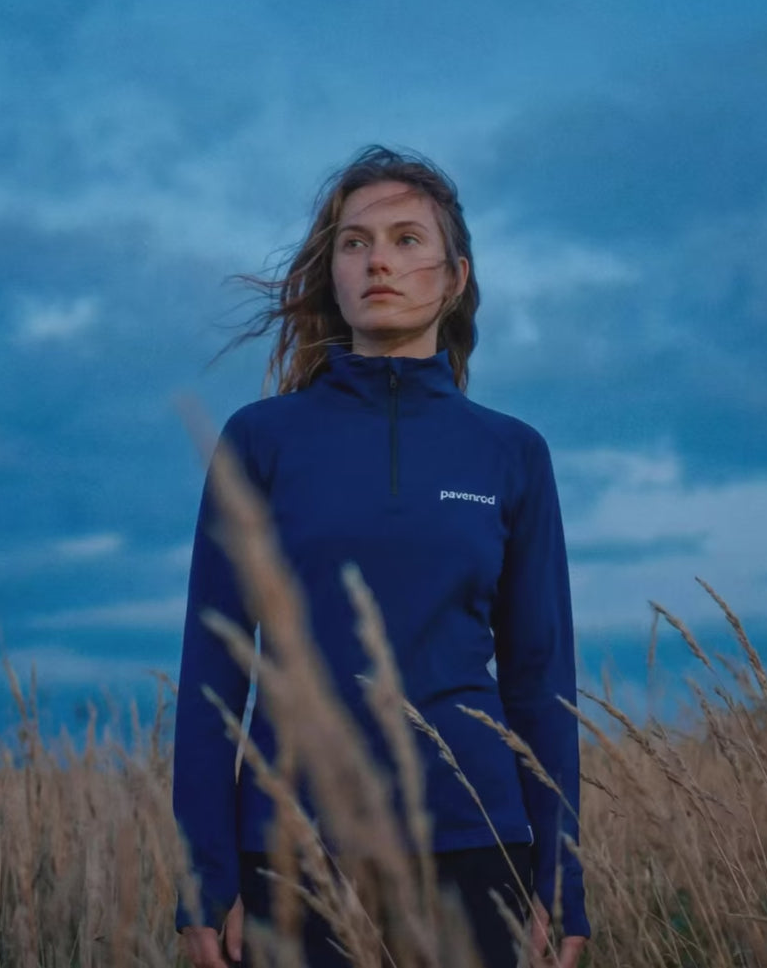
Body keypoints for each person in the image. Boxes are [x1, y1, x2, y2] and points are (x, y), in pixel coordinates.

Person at [173, 146, 588, 968]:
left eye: (406, 239)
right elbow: (213, 675)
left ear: (455, 274)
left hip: (476, 847)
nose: (379, 262)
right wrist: (203, 881)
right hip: (291, 852)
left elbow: (541, 681)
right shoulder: (261, 441)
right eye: (355, 243)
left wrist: (563, 882)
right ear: (332, 272)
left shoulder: (510, 453)